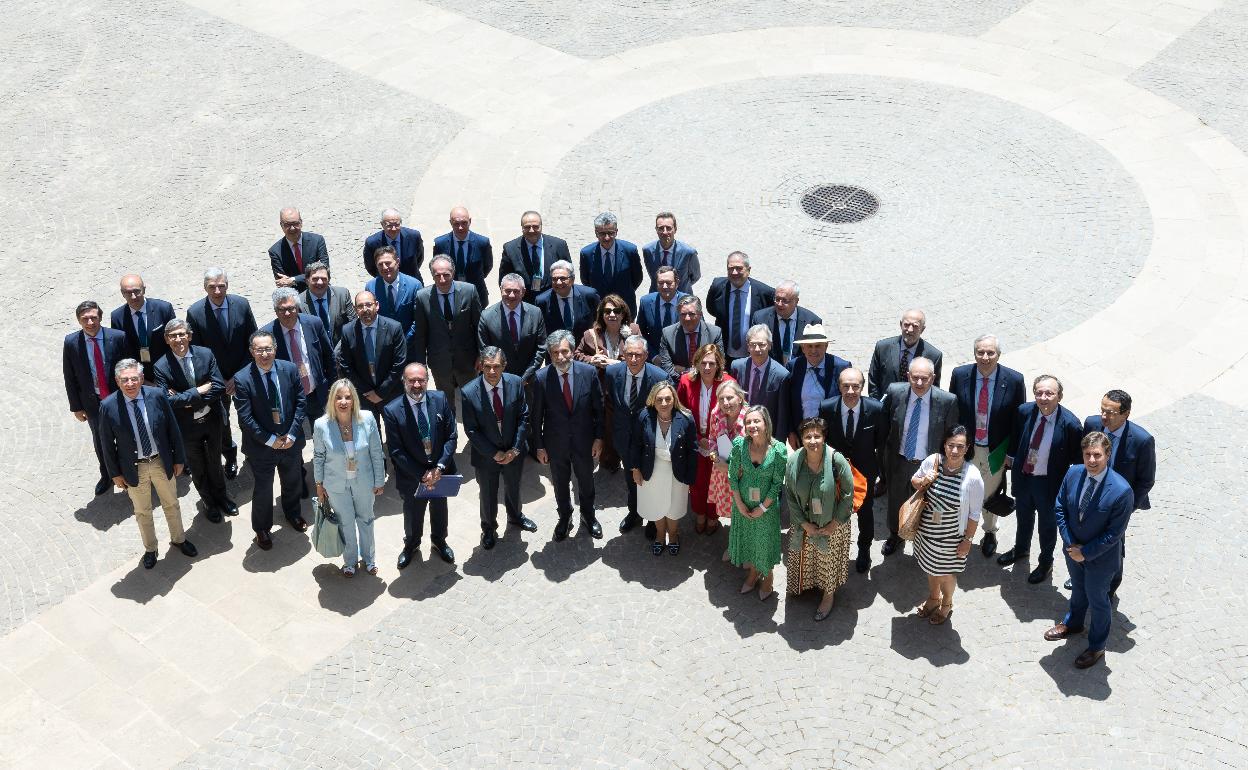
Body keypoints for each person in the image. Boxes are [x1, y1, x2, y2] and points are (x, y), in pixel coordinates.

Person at [1044, 432, 1135, 670]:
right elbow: (1060, 507)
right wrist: (1071, 543)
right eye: (1088, 455)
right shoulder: (1073, 473)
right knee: (1078, 590)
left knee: (1098, 601)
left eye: (1097, 455)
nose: (1092, 460)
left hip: (1101, 559)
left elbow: (1114, 533)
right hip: (1073, 550)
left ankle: (1097, 646)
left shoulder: (1121, 490)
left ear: (1107, 455)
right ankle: (1073, 623)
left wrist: (1086, 552)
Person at [98, 359, 196, 569]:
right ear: (117, 381)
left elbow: (173, 429)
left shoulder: (157, 396)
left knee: (171, 503)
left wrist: (179, 459)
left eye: (134, 378)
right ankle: (150, 549)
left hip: (161, 462)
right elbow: (106, 443)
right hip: (135, 468)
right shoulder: (108, 406)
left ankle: (179, 539)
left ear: (142, 378)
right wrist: (114, 474)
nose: (130, 384)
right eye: (125, 380)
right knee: (143, 511)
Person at [998, 375, 1084, 583]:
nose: (1043, 397)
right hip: (1025, 478)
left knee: (1047, 527)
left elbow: (1077, 461)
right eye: (1039, 392)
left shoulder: (1071, 425)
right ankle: (1021, 549)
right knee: (1023, 519)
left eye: (1049, 393)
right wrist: (1010, 459)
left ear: (1059, 396)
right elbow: (1016, 437)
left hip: (1049, 485)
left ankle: (1046, 562)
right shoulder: (1024, 411)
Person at [948, 334, 1026, 558]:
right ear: (974, 354)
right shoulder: (960, 375)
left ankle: (990, 531)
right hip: (967, 447)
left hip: (996, 449)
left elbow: (1018, 419)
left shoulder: (1013, 380)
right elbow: (954, 411)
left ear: (998, 355)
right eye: (980, 352)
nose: (985, 357)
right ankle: (962, 531)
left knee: (990, 494)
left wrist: (1011, 453)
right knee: (964, 489)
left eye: (990, 352)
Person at [154, 320, 236, 523]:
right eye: (173, 336)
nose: (178, 339)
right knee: (197, 466)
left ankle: (222, 497)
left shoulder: (205, 354)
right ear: (166, 339)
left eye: (182, 334)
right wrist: (199, 390)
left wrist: (187, 399)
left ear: (189, 336)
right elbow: (167, 400)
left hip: (212, 419)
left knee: (215, 461)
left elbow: (218, 387)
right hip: (186, 427)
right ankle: (208, 502)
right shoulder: (161, 366)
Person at [233, 330, 308, 550]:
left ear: (275, 349)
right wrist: (270, 439)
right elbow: (245, 417)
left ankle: (293, 514)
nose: (264, 354)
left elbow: (300, 403)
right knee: (263, 489)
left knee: (292, 481)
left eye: (268, 349)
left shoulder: (289, 369)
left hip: (290, 441)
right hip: (262, 446)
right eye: (259, 350)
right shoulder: (242, 378)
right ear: (251, 351)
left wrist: (292, 434)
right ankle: (262, 529)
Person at [1079, 389, 1156, 596]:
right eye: (1103, 410)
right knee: (1086, 535)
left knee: (1113, 544)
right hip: (1090, 495)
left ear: (1126, 414)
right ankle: (1083, 574)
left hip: (1118, 503)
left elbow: (1146, 480)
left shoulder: (1142, 440)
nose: (1104, 417)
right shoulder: (1092, 424)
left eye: (1111, 413)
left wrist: (1127, 507)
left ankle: (1110, 585)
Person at [881, 357, 959, 556]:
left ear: (933, 378)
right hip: (899, 461)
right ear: (908, 376)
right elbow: (884, 426)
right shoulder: (894, 392)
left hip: (928, 466)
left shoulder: (947, 401)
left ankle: (923, 544)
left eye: (924, 378)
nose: (919, 383)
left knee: (927, 505)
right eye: (915, 378)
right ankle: (895, 536)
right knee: (896, 502)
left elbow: (951, 436)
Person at [531, 331, 605, 541]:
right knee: (560, 483)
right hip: (556, 444)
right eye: (555, 353)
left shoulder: (588, 373)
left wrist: (599, 438)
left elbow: (598, 409)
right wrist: (539, 446)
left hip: (584, 442)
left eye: (565, 351)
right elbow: (536, 416)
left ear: (573, 351)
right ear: (550, 355)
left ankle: (588, 516)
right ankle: (565, 517)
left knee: (586, 481)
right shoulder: (542, 378)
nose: (561, 357)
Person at [460, 347, 537, 548]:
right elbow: (472, 430)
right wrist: (494, 453)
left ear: (504, 366)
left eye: (496, 367)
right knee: (487, 494)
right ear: (481, 366)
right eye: (487, 367)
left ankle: (516, 517)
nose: (492, 372)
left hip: (514, 452)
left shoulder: (516, 383)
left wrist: (515, 449)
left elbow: (523, 417)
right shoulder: (469, 392)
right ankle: (488, 528)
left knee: (514, 488)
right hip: (486, 457)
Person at [186, 267, 257, 480]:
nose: (217, 291)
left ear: (227, 285)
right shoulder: (195, 312)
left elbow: (252, 340)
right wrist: (220, 379)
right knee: (222, 422)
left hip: (243, 374)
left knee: (248, 416)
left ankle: (252, 452)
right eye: (212, 287)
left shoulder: (242, 304)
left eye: (221, 286)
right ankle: (230, 456)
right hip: (215, 380)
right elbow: (197, 353)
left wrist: (238, 375)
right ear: (204, 287)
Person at [383, 363, 458, 567]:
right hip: (412, 476)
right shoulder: (391, 411)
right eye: (412, 380)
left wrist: (440, 467)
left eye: (421, 380)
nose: (417, 384)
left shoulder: (440, 399)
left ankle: (439, 542)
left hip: (440, 472)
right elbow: (396, 450)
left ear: (427, 380)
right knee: (413, 514)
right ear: (404, 382)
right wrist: (422, 474)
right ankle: (412, 545)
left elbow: (451, 436)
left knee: (439, 509)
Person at [911, 425, 984, 625]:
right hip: (927, 532)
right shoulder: (932, 461)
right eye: (951, 445)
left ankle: (947, 603)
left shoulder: (973, 476)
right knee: (930, 568)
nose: (954, 451)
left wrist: (968, 540)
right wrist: (922, 481)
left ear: (967, 448)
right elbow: (914, 481)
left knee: (945, 573)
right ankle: (934, 598)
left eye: (960, 447)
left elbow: (974, 514)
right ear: (944, 445)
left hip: (952, 537)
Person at [313, 379, 386, 576]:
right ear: (332, 400)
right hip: (336, 485)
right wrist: (319, 484)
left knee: (366, 520)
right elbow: (318, 456)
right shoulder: (321, 425)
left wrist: (379, 480)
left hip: (364, 482)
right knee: (345, 523)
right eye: (338, 397)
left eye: (347, 397)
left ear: (354, 399)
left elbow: (376, 452)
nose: (343, 401)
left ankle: (369, 559)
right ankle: (350, 562)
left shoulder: (368, 418)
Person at [785, 418, 854, 621]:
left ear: (824, 438)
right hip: (804, 522)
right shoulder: (794, 461)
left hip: (832, 524)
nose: (812, 440)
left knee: (827, 559)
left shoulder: (836, 459)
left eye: (817, 436)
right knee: (807, 556)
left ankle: (828, 595)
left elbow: (848, 494)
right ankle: (808, 584)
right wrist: (804, 523)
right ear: (801, 439)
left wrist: (835, 523)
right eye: (808, 436)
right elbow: (789, 494)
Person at [820, 367, 886, 573]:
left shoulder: (875, 409)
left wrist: (881, 473)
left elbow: (881, 440)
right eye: (846, 386)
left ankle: (864, 549)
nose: (850, 391)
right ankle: (834, 550)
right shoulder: (827, 407)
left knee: (865, 513)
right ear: (839, 386)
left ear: (862, 387)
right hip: (835, 471)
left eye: (855, 386)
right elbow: (824, 439)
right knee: (834, 510)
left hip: (865, 471)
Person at [606, 336, 670, 534]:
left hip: (649, 439)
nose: (633, 359)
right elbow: (610, 405)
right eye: (629, 354)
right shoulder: (611, 372)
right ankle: (634, 513)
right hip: (624, 438)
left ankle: (652, 519)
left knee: (650, 478)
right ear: (623, 354)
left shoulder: (659, 377)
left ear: (646, 356)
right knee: (630, 478)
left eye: (638, 355)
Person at [63, 300, 128, 495]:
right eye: (85, 319)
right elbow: (69, 376)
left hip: (118, 399)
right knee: (101, 441)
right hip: (93, 403)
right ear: (78, 320)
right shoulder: (71, 342)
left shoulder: (118, 337)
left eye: (94, 317)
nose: (90, 322)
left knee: (125, 437)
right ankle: (107, 475)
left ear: (100, 316)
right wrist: (76, 407)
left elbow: (128, 366)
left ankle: (129, 472)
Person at [629, 380, 699, 555]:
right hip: (651, 469)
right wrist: (635, 469)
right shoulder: (644, 416)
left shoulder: (685, 417)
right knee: (656, 505)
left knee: (674, 507)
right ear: (653, 400)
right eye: (659, 399)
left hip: (678, 470)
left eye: (668, 399)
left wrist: (690, 478)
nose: (664, 403)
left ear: (674, 399)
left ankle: (673, 535)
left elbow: (693, 449)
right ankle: (660, 535)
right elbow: (635, 444)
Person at [727, 405, 788, 600]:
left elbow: (778, 483)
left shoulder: (778, 449)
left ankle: (767, 576)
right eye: (748, 422)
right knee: (750, 541)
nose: (752, 425)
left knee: (764, 542)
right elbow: (732, 477)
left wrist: (762, 508)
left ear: (766, 423)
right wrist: (739, 504)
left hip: (766, 507)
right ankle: (753, 574)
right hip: (742, 504)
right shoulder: (739, 445)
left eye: (756, 421)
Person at [575, 293, 641, 472]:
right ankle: (609, 460)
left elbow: (641, 355)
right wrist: (592, 359)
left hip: (626, 388)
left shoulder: (633, 331)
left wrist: (616, 364)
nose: (612, 314)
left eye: (616, 310)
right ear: (602, 314)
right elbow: (577, 356)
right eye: (607, 311)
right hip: (602, 390)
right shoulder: (591, 335)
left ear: (623, 313)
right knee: (606, 426)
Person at [677, 344, 736, 534]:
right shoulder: (686, 381)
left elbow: (733, 412)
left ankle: (713, 517)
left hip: (720, 443)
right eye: (703, 363)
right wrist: (695, 437)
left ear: (719, 364)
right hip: (695, 441)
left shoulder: (727, 383)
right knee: (697, 482)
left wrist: (717, 441)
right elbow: (681, 411)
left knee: (716, 481)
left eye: (712, 363)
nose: (707, 368)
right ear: (696, 364)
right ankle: (699, 515)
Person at [410, 255, 483, 396]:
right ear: (432, 276)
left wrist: (481, 354)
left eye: (446, 275)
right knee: (446, 401)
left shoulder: (469, 291)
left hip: (468, 360)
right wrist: (421, 364)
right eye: (437, 276)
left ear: (453, 273)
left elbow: (479, 326)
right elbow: (420, 334)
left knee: (473, 397)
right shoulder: (422, 297)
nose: (442, 280)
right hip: (439, 361)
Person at [336, 291, 407, 428]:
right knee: (369, 432)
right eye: (360, 306)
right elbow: (346, 365)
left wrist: (381, 392)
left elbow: (399, 363)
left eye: (368, 305)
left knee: (397, 430)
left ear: (377, 305)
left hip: (390, 391)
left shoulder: (394, 328)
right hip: (364, 394)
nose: (365, 310)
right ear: (356, 309)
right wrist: (367, 392)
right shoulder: (348, 331)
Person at [264, 288, 334, 423]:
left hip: (317, 392)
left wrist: (331, 386)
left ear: (298, 307)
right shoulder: (267, 334)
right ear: (275, 311)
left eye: (291, 308)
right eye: (281, 309)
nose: (287, 313)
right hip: (290, 397)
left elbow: (329, 357)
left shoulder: (314, 323)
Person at [784, 324, 851, 447]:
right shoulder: (794, 367)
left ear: (826, 346)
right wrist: (791, 432)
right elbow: (787, 403)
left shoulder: (841, 367)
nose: (813, 350)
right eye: (809, 346)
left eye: (818, 346)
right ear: (803, 348)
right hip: (803, 435)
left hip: (832, 435)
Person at [477, 273, 547, 389]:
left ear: (523, 292)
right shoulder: (486, 316)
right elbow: (485, 350)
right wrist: (502, 377)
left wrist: (526, 376)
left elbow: (541, 348)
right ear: (501, 290)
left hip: (528, 380)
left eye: (516, 291)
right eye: (507, 291)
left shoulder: (536, 313)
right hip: (499, 380)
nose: (511, 295)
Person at [705, 251, 776, 364]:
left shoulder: (765, 293)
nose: (734, 272)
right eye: (730, 268)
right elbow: (711, 309)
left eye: (739, 268)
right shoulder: (717, 286)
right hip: (724, 355)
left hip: (753, 357)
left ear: (748, 269)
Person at [111, 274, 176, 381]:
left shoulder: (163, 308)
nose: (133, 296)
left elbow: (174, 340)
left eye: (137, 291)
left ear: (144, 289)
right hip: (138, 374)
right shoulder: (117, 317)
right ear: (122, 294)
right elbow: (121, 349)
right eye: (128, 293)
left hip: (166, 368)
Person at [867, 309, 944, 399]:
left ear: (922, 329)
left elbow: (933, 389)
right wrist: (877, 405)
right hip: (886, 406)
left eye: (915, 326)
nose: (910, 330)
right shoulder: (882, 347)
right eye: (906, 325)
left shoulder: (934, 356)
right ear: (900, 324)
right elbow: (873, 380)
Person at [498, 210, 572, 303]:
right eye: (527, 227)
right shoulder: (510, 249)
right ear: (522, 228)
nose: (531, 230)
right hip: (525, 302)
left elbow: (569, 273)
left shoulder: (559, 245)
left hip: (554, 299)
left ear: (541, 226)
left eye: (535, 227)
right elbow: (504, 279)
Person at [730, 324, 790, 436]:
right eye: (753, 344)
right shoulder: (736, 367)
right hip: (739, 431)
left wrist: (779, 444)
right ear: (748, 346)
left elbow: (782, 415)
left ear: (770, 345)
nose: (757, 349)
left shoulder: (781, 375)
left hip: (766, 435)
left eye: (762, 344)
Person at [578, 211, 643, 316]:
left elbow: (637, 278)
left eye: (610, 233)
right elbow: (586, 281)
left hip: (625, 307)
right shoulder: (586, 253)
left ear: (616, 231)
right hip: (599, 309)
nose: (607, 237)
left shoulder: (630, 250)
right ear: (596, 233)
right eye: (602, 233)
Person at [707, 381, 748, 540]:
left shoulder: (751, 417)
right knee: (732, 512)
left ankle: (744, 548)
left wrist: (733, 468)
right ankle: (735, 545)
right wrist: (714, 456)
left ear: (740, 398)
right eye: (721, 398)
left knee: (744, 511)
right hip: (722, 474)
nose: (725, 403)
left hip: (744, 476)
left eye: (730, 398)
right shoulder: (716, 414)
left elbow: (759, 449)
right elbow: (711, 438)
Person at [750, 280, 821, 366]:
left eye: (785, 300)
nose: (780, 304)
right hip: (770, 371)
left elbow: (816, 353)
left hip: (799, 371)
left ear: (796, 301)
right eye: (777, 299)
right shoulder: (760, 318)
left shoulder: (812, 321)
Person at [433, 206, 493, 307]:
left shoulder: (482, 242)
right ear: (450, 223)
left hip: (477, 293)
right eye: (456, 223)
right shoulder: (440, 243)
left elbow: (487, 266)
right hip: (450, 292)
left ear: (470, 221)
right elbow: (436, 267)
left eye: (464, 223)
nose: (460, 227)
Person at [656, 295, 723, 378]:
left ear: (700, 314)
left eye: (691, 314)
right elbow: (666, 366)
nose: (687, 318)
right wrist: (686, 380)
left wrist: (685, 370)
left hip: (706, 382)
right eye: (683, 314)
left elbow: (719, 364)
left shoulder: (715, 333)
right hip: (678, 382)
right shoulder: (667, 333)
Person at [365, 247, 420, 348]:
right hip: (382, 346)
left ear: (397, 262)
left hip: (409, 345)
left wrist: (403, 340)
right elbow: (371, 316)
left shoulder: (414, 285)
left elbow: (419, 319)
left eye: (388, 263)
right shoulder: (371, 287)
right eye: (380, 264)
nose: (385, 267)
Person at [537, 260, 600, 341]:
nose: (558, 282)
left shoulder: (589, 295)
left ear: (572, 279)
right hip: (558, 350)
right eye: (554, 279)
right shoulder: (542, 301)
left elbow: (598, 321)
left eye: (562, 278)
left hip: (585, 347)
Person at [268, 207, 328, 291]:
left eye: (295, 223)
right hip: (295, 297)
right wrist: (312, 274)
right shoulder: (275, 251)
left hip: (319, 290)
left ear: (301, 223)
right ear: (281, 225)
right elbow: (282, 283)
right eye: (287, 224)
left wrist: (293, 280)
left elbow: (324, 271)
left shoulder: (317, 241)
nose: (292, 228)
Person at [298, 261, 356, 347]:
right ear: (307, 280)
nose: (320, 282)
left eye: (324, 278)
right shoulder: (298, 302)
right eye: (315, 279)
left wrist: (337, 352)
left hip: (342, 348)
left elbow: (353, 323)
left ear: (329, 280)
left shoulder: (342, 294)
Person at [636, 266, 689, 359]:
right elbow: (640, 333)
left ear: (677, 283)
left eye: (668, 283)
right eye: (661, 283)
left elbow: (698, 330)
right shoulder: (646, 302)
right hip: (655, 360)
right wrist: (653, 356)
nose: (664, 286)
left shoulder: (689, 301)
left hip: (683, 359)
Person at [641, 212, 700, 293]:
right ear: (656, 230)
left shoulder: (688, 252)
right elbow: (652, 276)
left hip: (682, 300)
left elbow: (695, 276)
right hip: (657, 298)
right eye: (661, 228)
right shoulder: (648, 251)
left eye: (668, 228)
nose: (665, 232)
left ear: (675, 229)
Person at [363, 208, 424, 280]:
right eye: (389, 225)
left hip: (411, 279)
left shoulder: (414, 236)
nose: (394, 229)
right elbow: (370, 267)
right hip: (385, 281)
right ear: (382, 224)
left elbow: (419, 258)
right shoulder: (372, 242)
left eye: (397, 224)